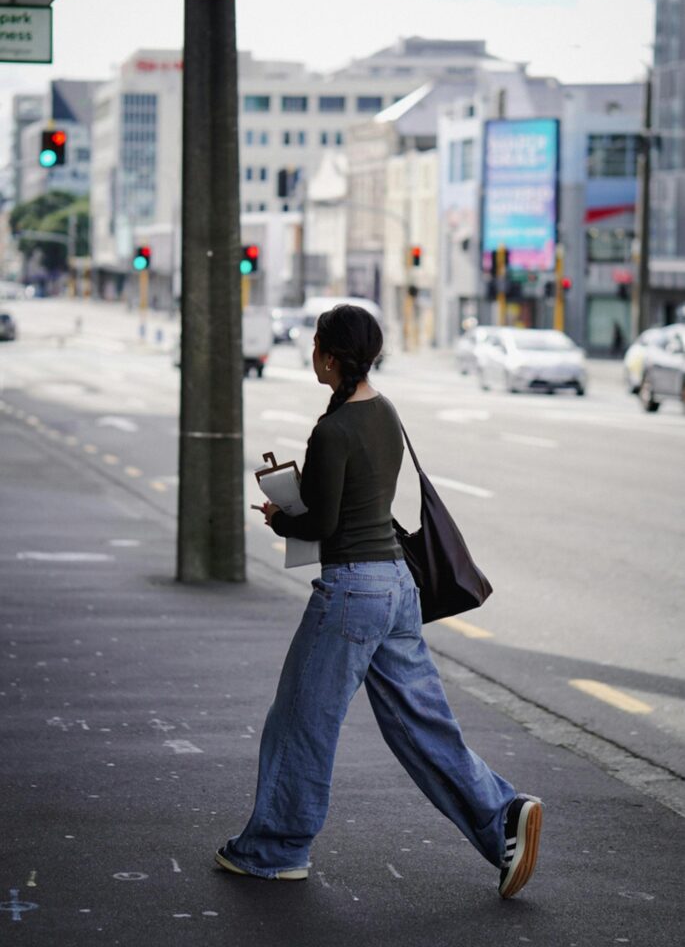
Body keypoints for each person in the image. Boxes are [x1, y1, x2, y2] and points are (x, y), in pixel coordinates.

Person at [215, 305, 543, 897]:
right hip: (397, 586)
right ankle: (503, 817)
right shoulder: (385, 410)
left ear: (329, 356)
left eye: (317, 346)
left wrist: (280, 517)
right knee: (422, 727)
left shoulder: (333, 429)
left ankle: (275, 849)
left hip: (352, 592)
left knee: (300, 721)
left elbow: (323, 523)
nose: (313, 354)